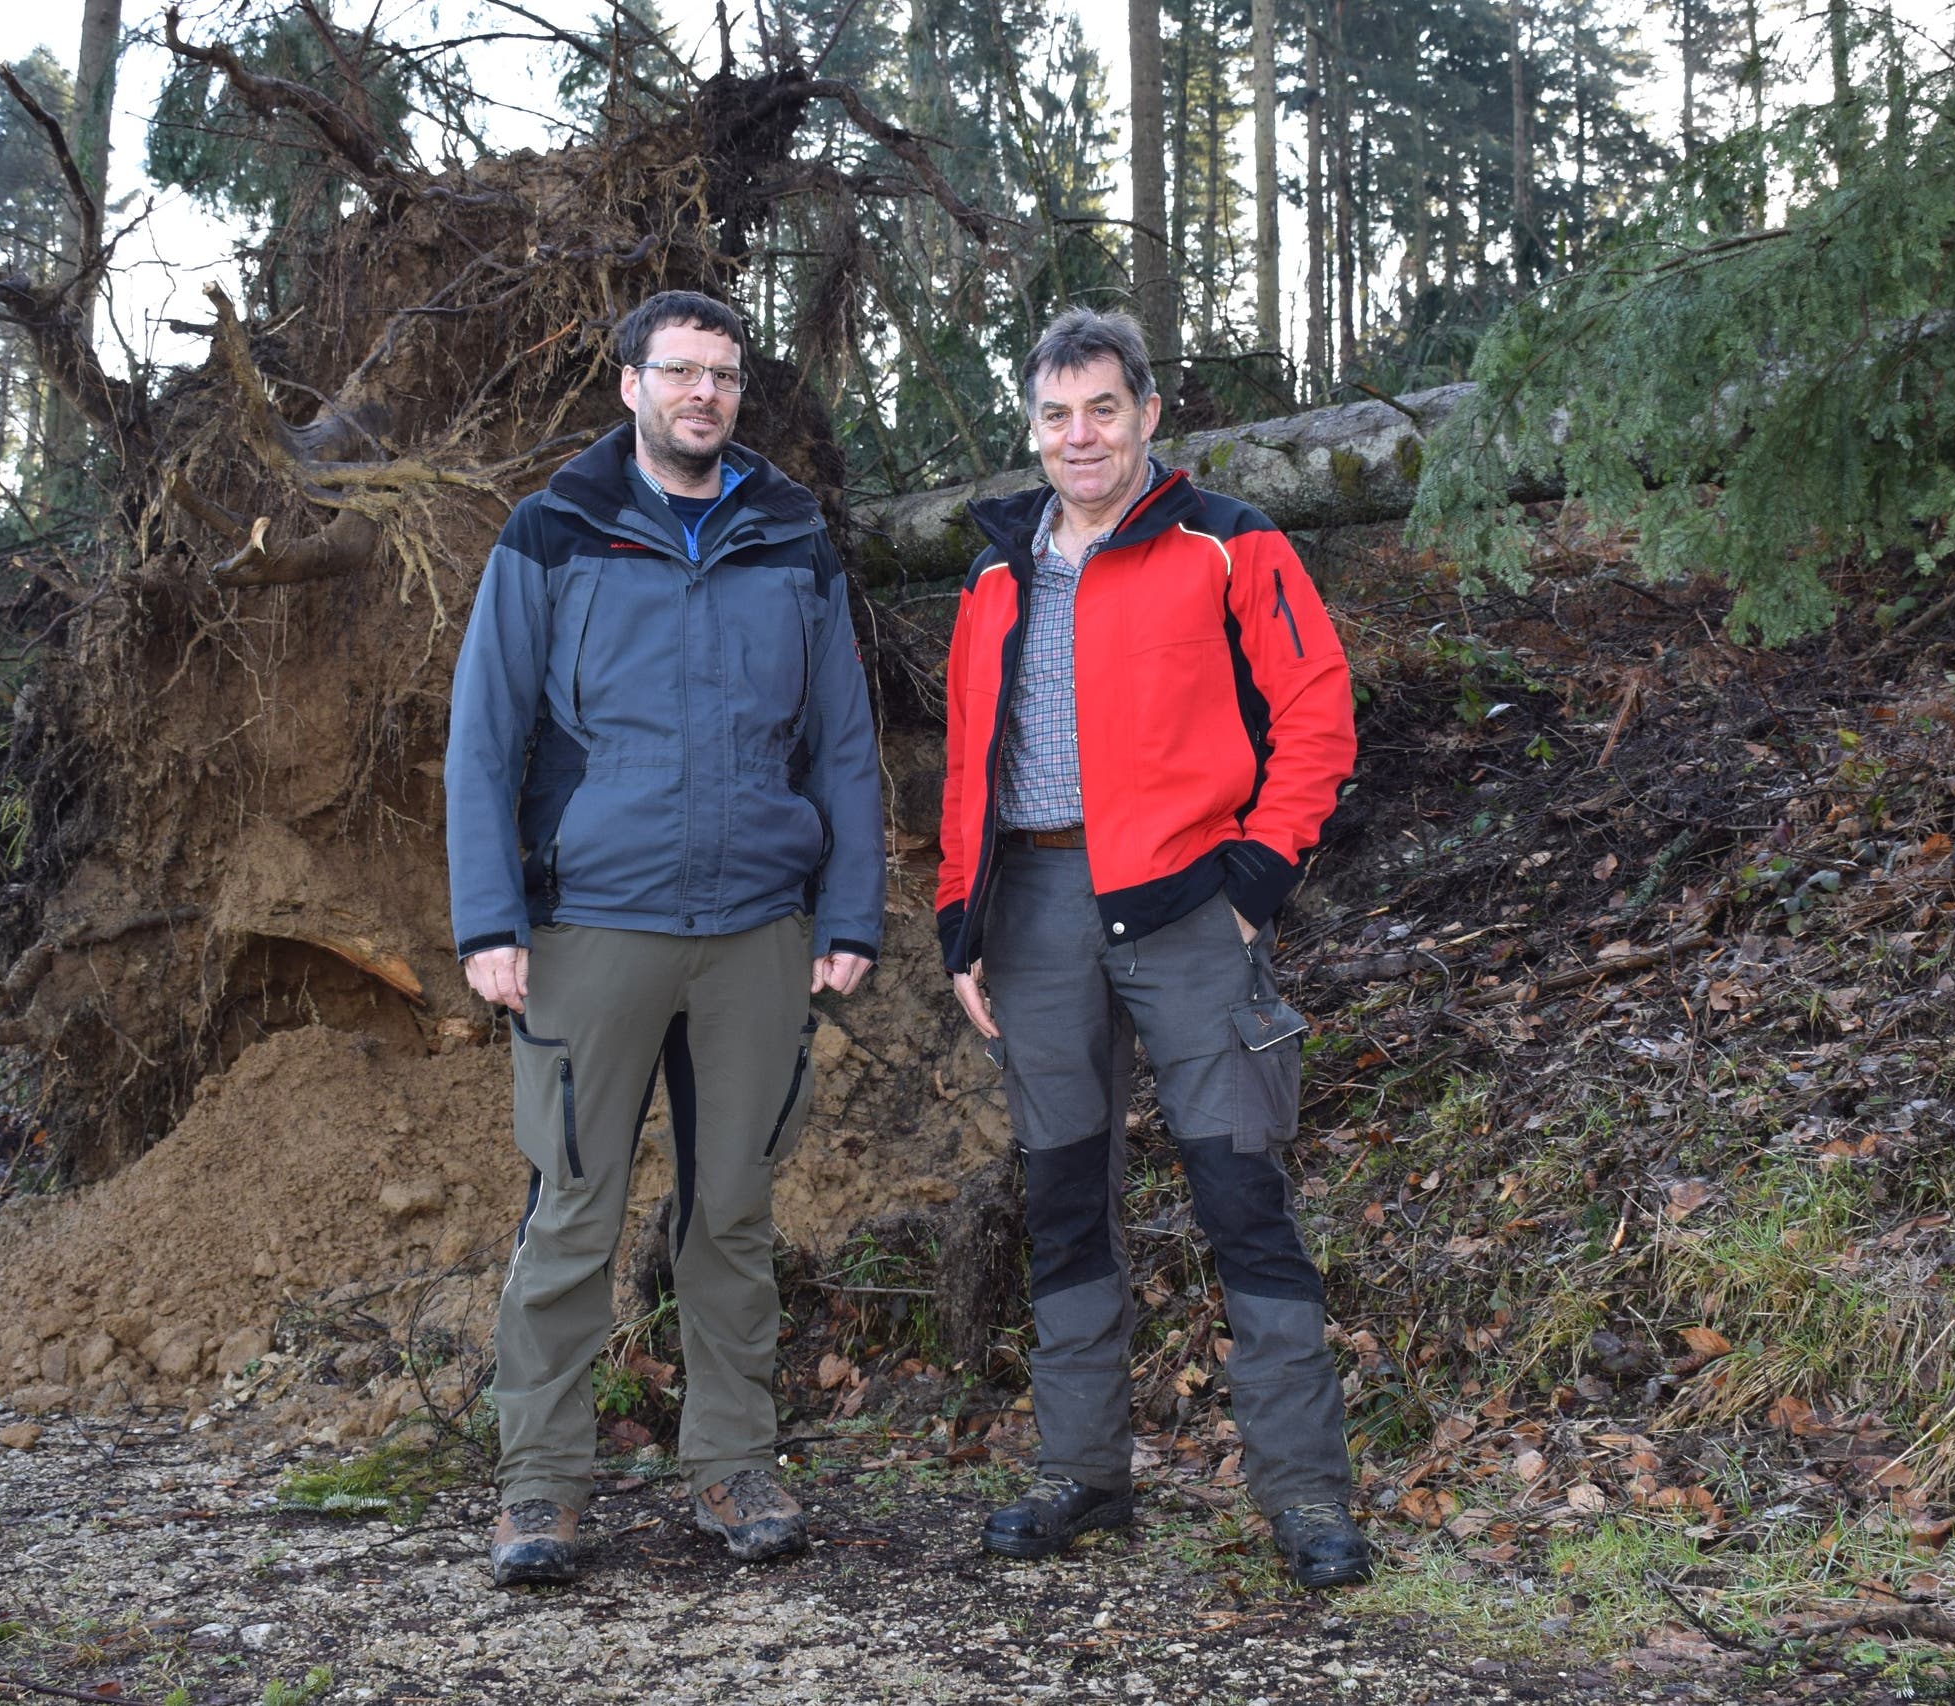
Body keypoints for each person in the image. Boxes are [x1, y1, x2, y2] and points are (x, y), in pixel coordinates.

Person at [445, 289, 883, 1586]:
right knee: (572, 1209)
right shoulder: (554, 532)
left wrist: (849, 908)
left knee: (735, 1210)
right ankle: (541, 1487)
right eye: (681, 371)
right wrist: (490, 919)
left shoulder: (790, 536)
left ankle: (734, 1462)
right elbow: (484, 735)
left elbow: (843, 743)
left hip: (757, 931)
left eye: (725, 376)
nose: (705, 394)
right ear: (630, 383)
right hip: (590, 931)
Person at [936, 307, 1373, 1588]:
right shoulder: (997, 571)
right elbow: (975, 759)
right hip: (1034, 913)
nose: (1082, 435)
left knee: (1243, 1194)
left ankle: (1305, 1495)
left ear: (1146, 414)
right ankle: (1083, 1476)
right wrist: (965, 915)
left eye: (1104, 409)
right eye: (1057, 415)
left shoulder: (1229, 544)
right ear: (1034, 428)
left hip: (1191, 908)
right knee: (1067, 1199)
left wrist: (1257, 879)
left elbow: (1318, 713)